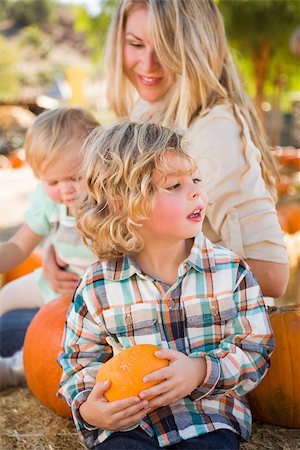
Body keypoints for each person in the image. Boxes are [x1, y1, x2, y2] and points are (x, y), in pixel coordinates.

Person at [45, 0, 289, 301]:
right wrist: (61, 255)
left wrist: (144, 271)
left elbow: (273, 276)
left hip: (197, 336)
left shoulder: (214, 131)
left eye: (167, 47)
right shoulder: (146, 109)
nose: (148, 64)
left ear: (199, 49)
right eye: (136, 44)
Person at [58, 122, 274, 450]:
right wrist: (90, 408)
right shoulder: (98, 286)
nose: (197, 192)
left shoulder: (229, 271)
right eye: (174, 185)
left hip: (207, 419)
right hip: (130, 424)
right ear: (122, 203)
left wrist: (200, 370)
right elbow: (79, 362)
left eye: (195, 180)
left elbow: (255, 350)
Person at [0, 107, 99, 389]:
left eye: (75, 177)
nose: (65, 190)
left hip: (87, 302)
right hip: (52, 282)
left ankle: (14, 369)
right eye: (52, 181)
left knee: (58, 343)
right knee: (6, 295)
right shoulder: (49, 200)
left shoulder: (108, 203)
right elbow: (19, 246)